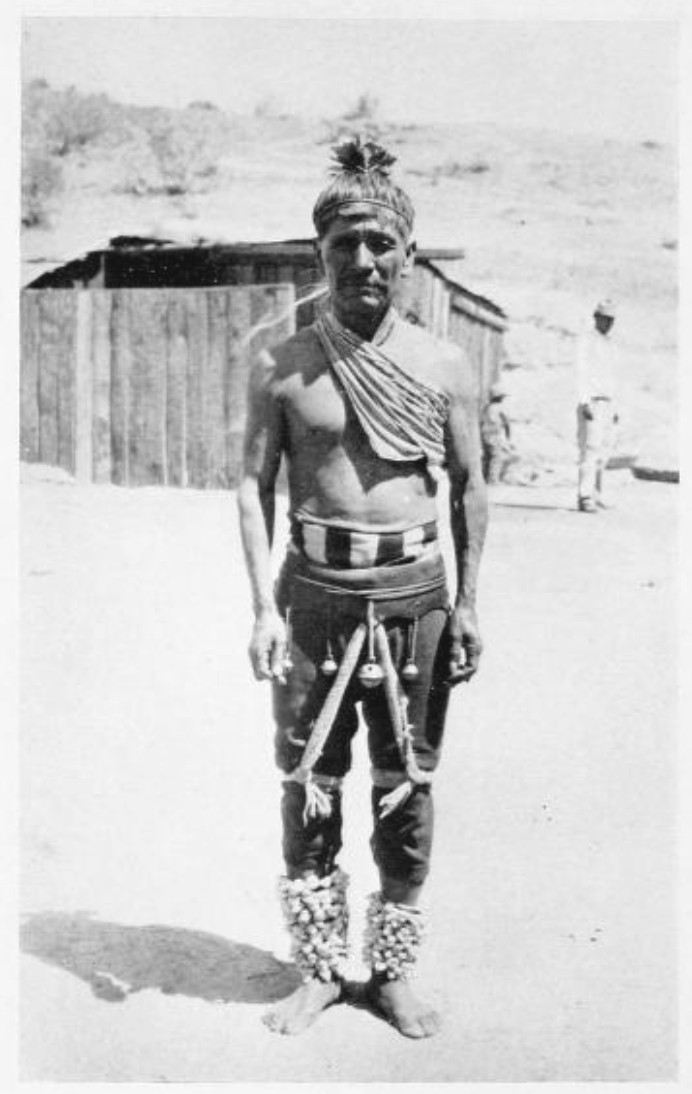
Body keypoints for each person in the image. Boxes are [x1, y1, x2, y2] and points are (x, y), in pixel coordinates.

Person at [237, 136, 488, 1040]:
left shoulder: (447, 366)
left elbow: (469, 485)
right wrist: (264, 607)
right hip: (313, 599)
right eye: (345, 242)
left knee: (407, 782)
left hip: (415, 597)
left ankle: (390, 972)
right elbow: (251, 483)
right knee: (307, 777)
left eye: (382, 242)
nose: (364, 259)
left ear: (409, 255)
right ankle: (315, 968)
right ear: (320, 254)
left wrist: (465, 605)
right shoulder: (282, 363)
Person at [576, 300, 620, 512]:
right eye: (605, 319)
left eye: (611, 320)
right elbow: (581, 371)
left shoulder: (609, 344)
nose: (608, 323)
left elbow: (613, 377)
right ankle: (585, 496)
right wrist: (585, 401)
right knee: (590, 451)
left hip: (607, 403)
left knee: (604, 451)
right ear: (596, 318)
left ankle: (597, 493)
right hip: (592, 402)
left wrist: (616, 408)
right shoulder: (587, 341)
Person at [480, 378, 517, 484]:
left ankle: (484, 479)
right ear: (501, 397)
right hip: (494, 435)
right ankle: (493, 481)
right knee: (496, 457)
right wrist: (508, 436)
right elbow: (506, 423)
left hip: (484, 435)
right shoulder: (500, 408)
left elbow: (481, 422)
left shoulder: (487, 408)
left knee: (487, 457)